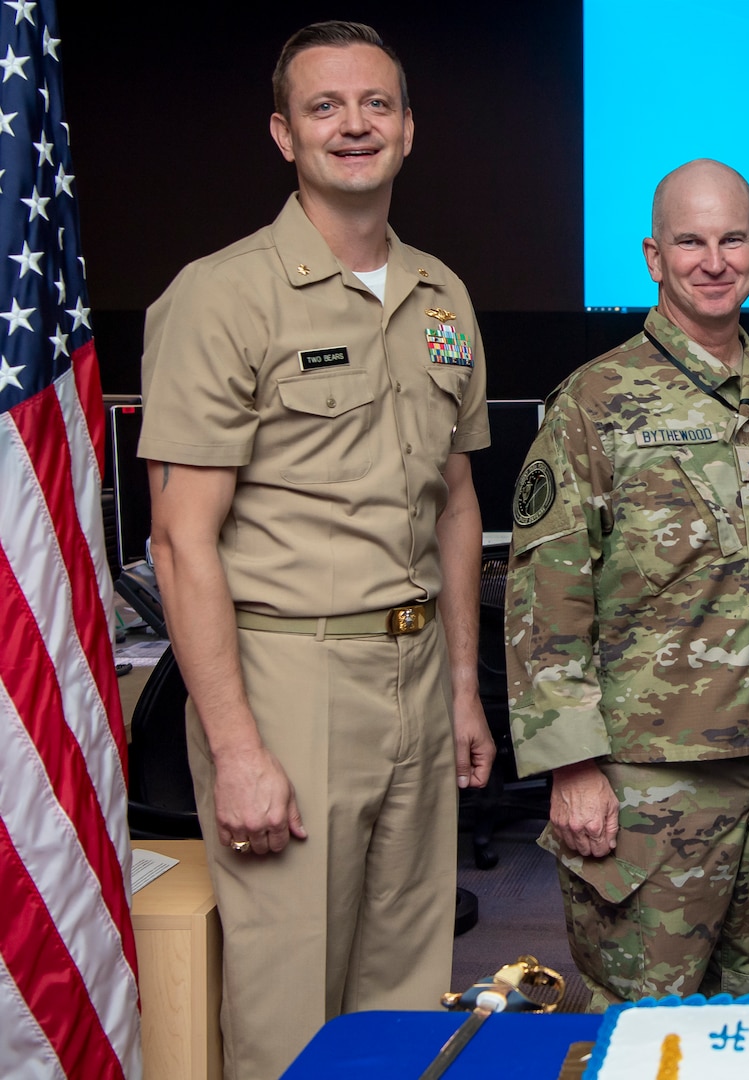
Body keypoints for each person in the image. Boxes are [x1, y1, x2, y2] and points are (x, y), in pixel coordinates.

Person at [140, 21, 494, 1079]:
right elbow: (179, 538)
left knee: (407, 983)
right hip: (286, 675)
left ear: (409, 129)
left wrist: (467, 690)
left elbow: (456, 505)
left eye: (375, 104)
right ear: (283, 133)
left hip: (418, 670)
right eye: (326, 107)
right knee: (290, 995)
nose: (354, 125)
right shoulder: (223, 294)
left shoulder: (442, 295)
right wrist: (239, 748)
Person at [505, 159, 749, 1007]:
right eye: (691, 241)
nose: (714, 260)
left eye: (732, 239)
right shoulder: (592, 404)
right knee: (641, 1025)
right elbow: (543, 600)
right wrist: (572, 768)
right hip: (648, 787)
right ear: (653, 256)